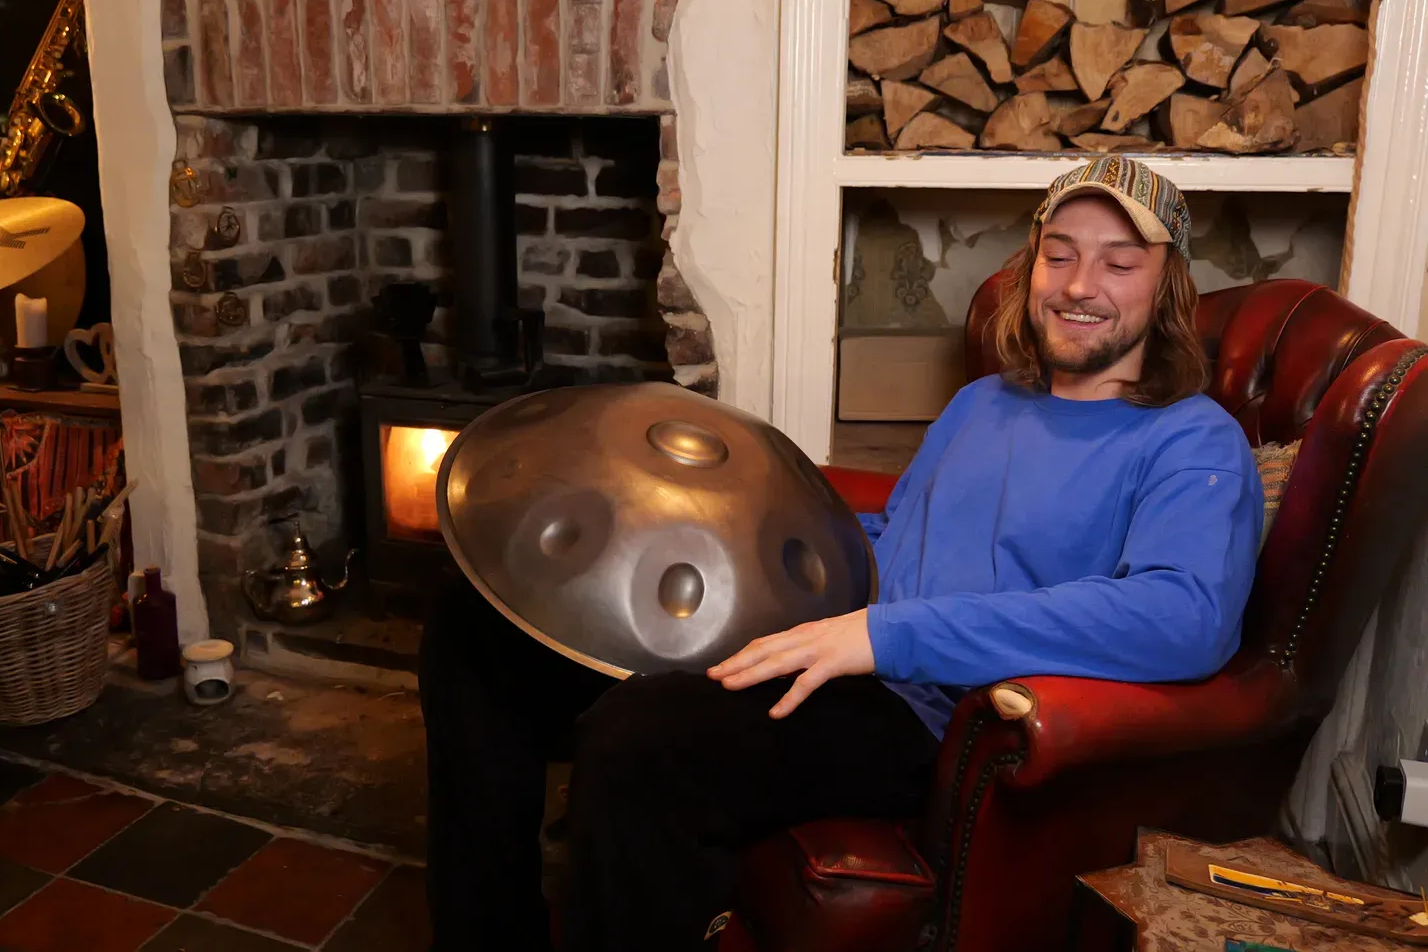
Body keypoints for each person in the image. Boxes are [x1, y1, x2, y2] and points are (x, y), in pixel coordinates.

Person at [418, 155, 1263, 952]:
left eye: (1120, 262)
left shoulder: (1193, 441)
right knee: (477, 634)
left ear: (1170, 285)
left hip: (930, 718)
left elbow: (1183, 618)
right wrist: (736, 548)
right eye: (1061, 254)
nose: (1081, 285)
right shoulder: (983, 403)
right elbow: (894, 538)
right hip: (840, 650)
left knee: (643, 742)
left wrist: (883, 637)